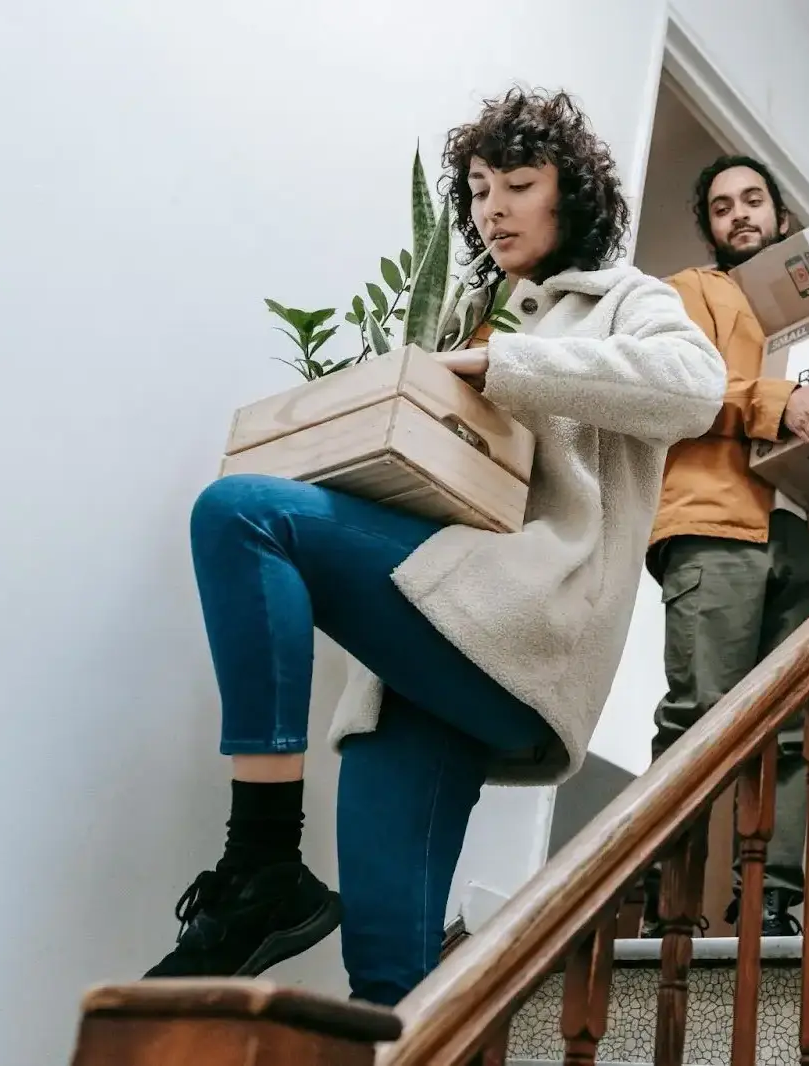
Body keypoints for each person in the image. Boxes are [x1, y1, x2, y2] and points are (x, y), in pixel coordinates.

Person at [143, 88, 726, 1005]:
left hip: (519, 626)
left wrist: (504, 364)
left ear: (570, 195)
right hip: (419, 654)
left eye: (519, 185)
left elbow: (696, 388)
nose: (494, 208)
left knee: (241, 514)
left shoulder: (623, 299)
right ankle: (284, 898)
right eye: (480, 189)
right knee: (388, 980)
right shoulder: (465, 314)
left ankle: (259, 858)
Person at [643, 155, 809, 937]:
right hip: (715, 522)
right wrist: (779, 402)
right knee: (699, 714)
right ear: (710, 227)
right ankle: (668, 903)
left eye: (753, 200)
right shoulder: (685, 293)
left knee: (793, 731)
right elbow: (677, 386)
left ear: (781, 217)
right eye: (722, 205)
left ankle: (771, 904)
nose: (740, 214)